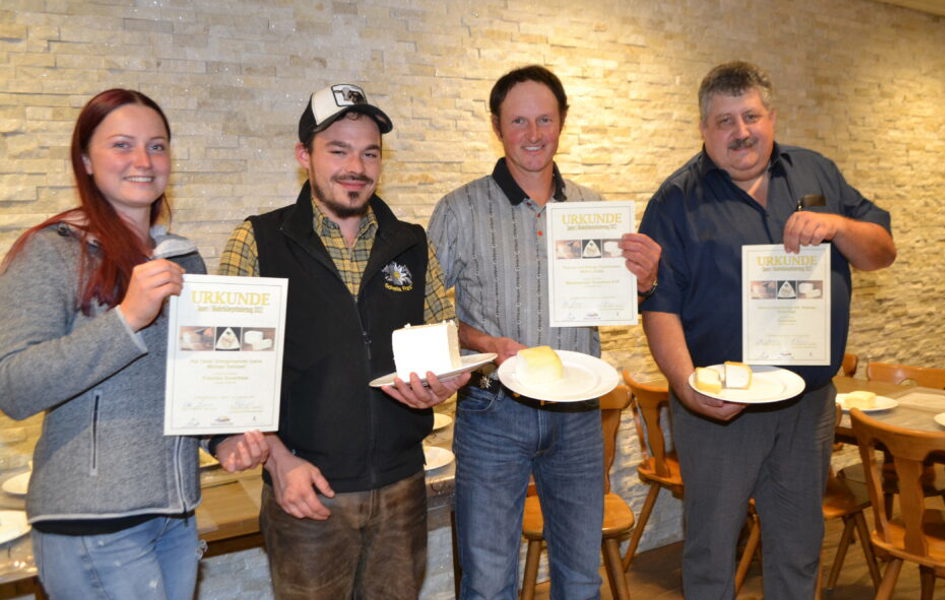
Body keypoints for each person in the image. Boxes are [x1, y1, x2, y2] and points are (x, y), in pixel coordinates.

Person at [638, 61, 896, 599]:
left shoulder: (816, 172)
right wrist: (688, 388)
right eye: (724, 121)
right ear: (704, 130)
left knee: (800, 544)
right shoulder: (675, 200)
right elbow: (658, 306)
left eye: (750, 115)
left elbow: (881, 251)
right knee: (711, 550)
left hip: (807, 405)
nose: (741, 132)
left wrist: (839, 226)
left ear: (771, 117)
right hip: (720, 407)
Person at [0, 88, 262, 599]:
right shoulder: (49, 252)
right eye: (122, 145)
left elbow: (189, 384)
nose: (143, 161)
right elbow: (14, 386)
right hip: (92, 523)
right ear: (85, 160)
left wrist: (220, 438)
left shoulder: (183, 260)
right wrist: (126, 319)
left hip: (175, 515)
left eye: (157, 146)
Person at [215, 83, 468, 599]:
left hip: (402, 488)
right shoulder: (259, 240)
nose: (356, 165)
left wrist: (444, 383)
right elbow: (226, 374)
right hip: (306, 489)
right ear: (303, 155)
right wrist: (280, 462)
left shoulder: (411, 242)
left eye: (369, 152)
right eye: (338, 150)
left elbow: (444, 341)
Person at [428, 65, 661, 599]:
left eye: (544, 119)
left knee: (580, 576)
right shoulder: (458, 211)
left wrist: (644, 282)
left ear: (562, 123)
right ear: (496, 126)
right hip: (492, 412)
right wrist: (486, 344)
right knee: (489, 582)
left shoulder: (594, 210)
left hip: (579, 415)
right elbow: (431, 315)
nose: (533, 134)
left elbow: (617, 299)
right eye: (518, 121)